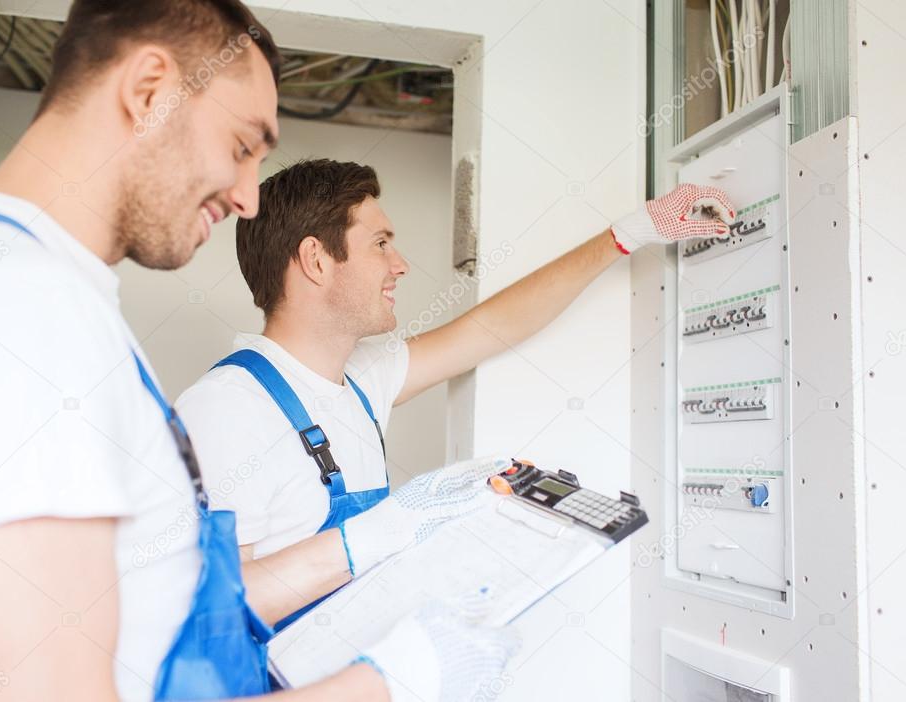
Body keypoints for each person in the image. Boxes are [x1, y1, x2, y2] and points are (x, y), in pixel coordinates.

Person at [0, 2, 518, 701]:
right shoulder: (24, 308)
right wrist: (385, 686)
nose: (249, 198)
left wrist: (384, 535)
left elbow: (155, 616)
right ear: (148, 89)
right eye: (244, 145)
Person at [177, 160, 735, 627]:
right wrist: (388, 531)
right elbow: (210, 613)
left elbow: (493, 326)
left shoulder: (356, 384)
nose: (400, 265)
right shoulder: (229, 408)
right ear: (317, 260)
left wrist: (630, 233)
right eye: (380, 244)